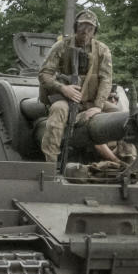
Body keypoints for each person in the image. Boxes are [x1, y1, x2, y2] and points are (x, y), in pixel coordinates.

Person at [38, 9, 112, 165]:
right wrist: (63, 88)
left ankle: (128, 159)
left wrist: (98, 106)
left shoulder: (102, 50)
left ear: (94, 31)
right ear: (75, 27)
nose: (85, 31)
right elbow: (44, 74)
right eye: (82, 26)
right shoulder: (61, 46)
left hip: (91, 102)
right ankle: (51, 164)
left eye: (90, 28)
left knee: (122, 115)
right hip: (65, 99)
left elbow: (106, 79)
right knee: (58, 111)